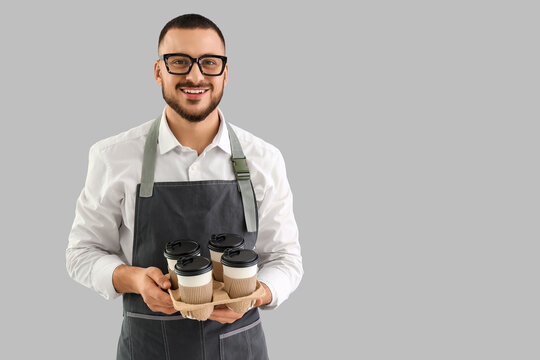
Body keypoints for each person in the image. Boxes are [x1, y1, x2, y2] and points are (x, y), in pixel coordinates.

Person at [65, 13, 303, 359]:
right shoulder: (112, 156)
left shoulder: (264, 159)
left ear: (225, 72)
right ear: (159, 70)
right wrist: (134, 279)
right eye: (179, 61)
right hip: (147, 348)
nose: (195, 75)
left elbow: (286, 259)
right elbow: (81, 253)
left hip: (240, 348)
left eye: (209, 62)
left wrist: (259, 293)